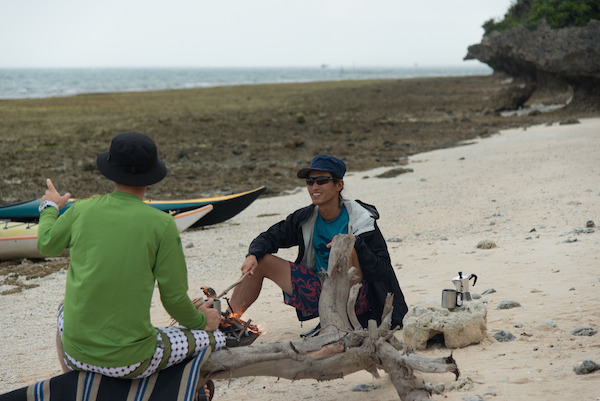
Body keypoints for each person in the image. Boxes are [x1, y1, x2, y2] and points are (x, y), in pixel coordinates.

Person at [37, 132, 225, 385]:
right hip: (132, 361)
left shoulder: (81, 210)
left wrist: (50, 206)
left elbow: (47, 243)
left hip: (76, 355)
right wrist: (204, 320)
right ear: (151, 175)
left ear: (110, 171)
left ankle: (74, 385)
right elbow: (173, 300)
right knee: (217, 339)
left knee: (64, 309)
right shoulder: (162, 224)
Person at [229, 155, 408, 330]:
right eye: (310, 181)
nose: (314, 186)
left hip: (359, 299)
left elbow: (383, 269)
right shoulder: (306, 218)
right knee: (260, 261)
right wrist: (252, 254)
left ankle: (338, 322)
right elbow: (269, 237)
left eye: (322, 181)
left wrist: (354, 244)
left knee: (346, 249)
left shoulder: (361, 219)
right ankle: (229, 322)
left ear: (339, 185)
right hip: (319, 291)